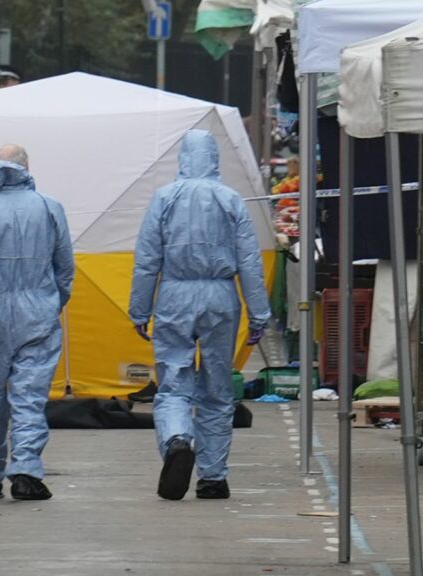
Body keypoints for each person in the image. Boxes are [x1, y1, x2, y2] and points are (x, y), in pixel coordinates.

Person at [128, 129, 271, 502]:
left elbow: (147, 260)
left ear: (182, 159)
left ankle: (177, 439)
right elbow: (249, 263)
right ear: (214, 159)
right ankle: (213, 476)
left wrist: (140, 309)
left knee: (174, 382)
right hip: (220, 295)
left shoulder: (164, 198)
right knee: (217, 387)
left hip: (175, 293)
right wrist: (259, 313)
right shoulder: (231, 200)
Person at [0, 144, 74, 501]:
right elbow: (64, 266)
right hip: (38, 312)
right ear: (26, 167)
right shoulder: (50, 208)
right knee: (29, 398)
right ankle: (25, 470)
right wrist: (53, 302)